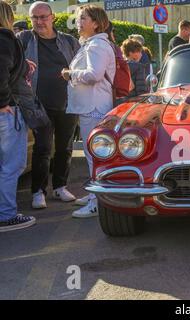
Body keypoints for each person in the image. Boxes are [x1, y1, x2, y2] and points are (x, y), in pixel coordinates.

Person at [17, 1, 81, 210]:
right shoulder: (24, 39)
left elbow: (81, 67)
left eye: (43, 17)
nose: (39, 21)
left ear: (52, 17)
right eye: (35, 17)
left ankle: (60, 186)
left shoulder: (69, 41)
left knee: (65, 148)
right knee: (42, 148)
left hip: (67, 102)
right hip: (37, 104)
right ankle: (38, 191)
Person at [61, 5, 115, 218]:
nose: (78, 22)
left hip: (94, 107)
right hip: (92, 106)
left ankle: (97, 202)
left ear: (96, 23)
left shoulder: (96, 45)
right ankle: (94, 194)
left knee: (95, 156)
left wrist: (70, 74)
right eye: (78, 18)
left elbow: (94, 74)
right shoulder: (93, 44)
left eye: (83, 18)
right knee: (94, 155)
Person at [0, 0, 36, 232]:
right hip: (7, 110)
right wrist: (2, 101)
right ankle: (6, 215)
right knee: (12, 164)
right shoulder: (4, 37)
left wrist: (23, 66)